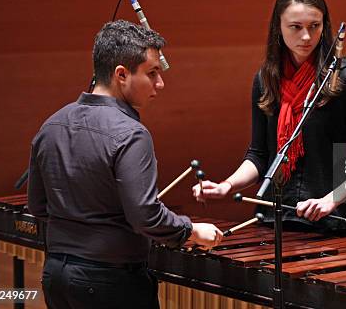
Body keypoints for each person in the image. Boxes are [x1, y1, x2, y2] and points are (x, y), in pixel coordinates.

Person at [28, 20, 223, 309]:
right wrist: (191, 230)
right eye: (152, 73)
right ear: (121, 74)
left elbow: (38, 205)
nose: (160, 83)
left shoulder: (51, 125)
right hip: (110, 282)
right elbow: (145, 216)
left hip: (56, 275)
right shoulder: (131, 134)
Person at [192, 0, 346, 237]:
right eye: (296, 27)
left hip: (329, 224)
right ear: (278, 28)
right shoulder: (266, 80)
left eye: (314, 26)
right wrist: (227, 185)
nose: (306, 36)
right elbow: (260, 156)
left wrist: (331, 199)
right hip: (274, 219)